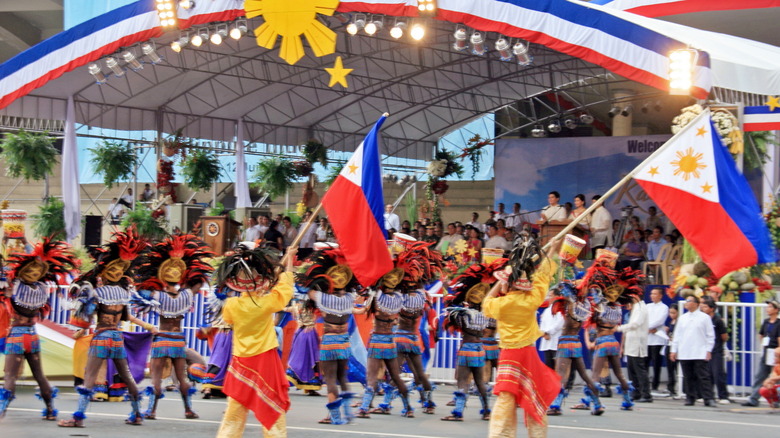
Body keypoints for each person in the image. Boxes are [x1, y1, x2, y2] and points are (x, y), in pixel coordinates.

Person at [59, 229, 150, 427]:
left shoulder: (96, 291)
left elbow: (85, 318)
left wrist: (82, 325)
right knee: (126, 376)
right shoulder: (124, 292)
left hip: (101, 338)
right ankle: (137, 414)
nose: (118, 272)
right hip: (117, 338)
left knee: (90, 378)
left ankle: (78, 418)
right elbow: (125, 317)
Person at [483, 236, 561, 437]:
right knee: (535, 397)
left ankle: (500, 435)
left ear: (509, 285)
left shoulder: (501, 305)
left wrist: (499, 283)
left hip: (509, 355)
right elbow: (543, 275)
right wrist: (552, 250)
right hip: (528, 353)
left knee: (506, 399)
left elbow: (486, 303)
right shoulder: (532, 299)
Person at [215, 244, 296, 437]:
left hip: (241, 360)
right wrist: (290, 258)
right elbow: (286, 288)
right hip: (265, 360)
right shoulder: (266, 303)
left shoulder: (231, 305)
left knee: (235, 410)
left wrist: (260, 289)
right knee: (273, 405)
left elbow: (228, 319)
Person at [132, 234, 214, 420]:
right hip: (178, 340)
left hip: (162, 338)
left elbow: (140, 287)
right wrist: (190, 268)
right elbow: (199, 281)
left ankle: (152, 410)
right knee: (181, 378)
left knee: (156, 377)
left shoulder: (158, 295)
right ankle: (188, 409)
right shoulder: (186, 295)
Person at [0, 238, 78, 421]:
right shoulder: (42, 289)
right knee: (40, 376)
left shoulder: (15, 287)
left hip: (17, 337)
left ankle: (2, 411)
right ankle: (51, 410)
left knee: (10, 377)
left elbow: (9, 273)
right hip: (33, 336)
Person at [297, 245, 365, 424]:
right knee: (342, 377)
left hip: (329, 344)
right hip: (344, 344)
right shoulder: (349, 298)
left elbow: (304, 289)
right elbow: (356, 290)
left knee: (330, 380)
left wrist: (312, 273)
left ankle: (334, 416)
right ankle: (348, 412)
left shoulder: (323, 298)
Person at [356, 251, 416, 419]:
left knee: (372, 376)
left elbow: (365, 310)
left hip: (377, 340)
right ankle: (408, 407)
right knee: (396, 376)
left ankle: (364, 408)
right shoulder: (398, 297)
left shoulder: (377, 296)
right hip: (390, 340)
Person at [390, 243, 442, 415]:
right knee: (419, 374)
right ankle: (428, 402)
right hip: (414, 339)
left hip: (400, 338)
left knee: (394, 373)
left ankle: (401, 406)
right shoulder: (423, 296)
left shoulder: (400, 296)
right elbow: (429, 311)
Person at [670, 295, 715, 407]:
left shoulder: (704, 318)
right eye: (686, 301)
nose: (687, 303)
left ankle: (708, 398)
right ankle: (690, 397)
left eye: (689, 301)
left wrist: (708, 349)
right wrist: (673, 350)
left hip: (700, 351)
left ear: (696, 303)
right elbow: (677, 335)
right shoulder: (682, 318)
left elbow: (710, 335)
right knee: (688, 376)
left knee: (703, 376)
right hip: (685, 351)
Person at [743, 299, 780, 406]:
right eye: (767, 307)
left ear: (776, 310)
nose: (767, 309)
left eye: (770, 307)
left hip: (775, 351)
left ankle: (776, 399)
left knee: (775, 375)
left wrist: (778, 352)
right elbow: (761, 335)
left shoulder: (778, 323)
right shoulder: (766, 322)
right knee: (760, 375)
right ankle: (753, 398)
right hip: (766, 351)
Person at [617, 294, 651, 403]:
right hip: (631, 343)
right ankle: (636, 392)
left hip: (637, 343)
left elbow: (635, 324)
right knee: (632, 371)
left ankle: (646, 394)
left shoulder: (641, 308)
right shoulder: (636, 307)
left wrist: (619, 328)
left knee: (640, 370)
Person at [700, 297, 730, 404]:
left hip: (716, 350)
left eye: (705, 307)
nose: (703, 308)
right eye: (702, 306)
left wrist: (719, 345)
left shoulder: (717, 320)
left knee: (718, 373)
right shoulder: (702, 319)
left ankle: (723, 396)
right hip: (704, 349)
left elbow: (724, 336)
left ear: (712, 308)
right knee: (707, 374)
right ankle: (708, 395)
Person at [646, 288, 669, 393]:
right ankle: (645, 384)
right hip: (647, 338)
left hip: (657, 338)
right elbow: (643, 318)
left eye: (655, 294)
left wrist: (648, 327)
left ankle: (655, 385)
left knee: (656, 364)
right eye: (651, 293)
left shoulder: (664, 307)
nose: (652, 295)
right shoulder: (647, 306)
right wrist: (646, 328)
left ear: (660, 295)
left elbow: (660, 320)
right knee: (644, 363)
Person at [538, 305, 564, 369]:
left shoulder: (561, 310)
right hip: (547, 342)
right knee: (548, 365)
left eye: (552, 295)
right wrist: (544, 333)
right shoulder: (546, 310)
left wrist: (548, 332)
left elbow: (559, 324)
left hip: (556, 341)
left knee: (558, 366)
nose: (550, 298)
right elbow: (542, 323)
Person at [665, 305, 680, 398]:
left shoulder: (680, 322)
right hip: (669, 345)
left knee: (677, 368)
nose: (671, 315)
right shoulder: (672, 321)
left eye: (674, 313)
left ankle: (681, 387)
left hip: (676, 347)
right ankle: (671, 387)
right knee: (670, 368)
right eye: (670, 313)